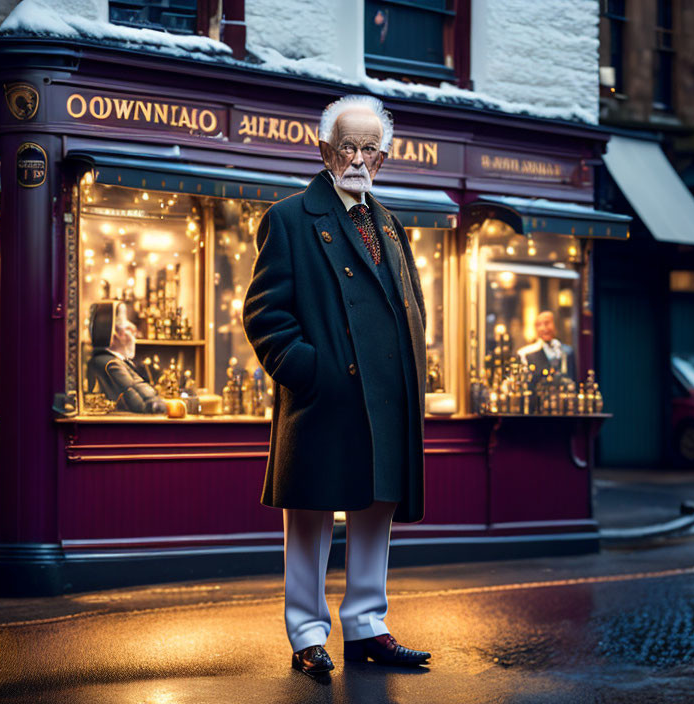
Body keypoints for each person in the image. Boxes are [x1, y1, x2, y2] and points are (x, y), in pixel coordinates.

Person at [243, 94, 431, 677]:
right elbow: (264, 315)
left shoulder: (392, 223)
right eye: (346, 146)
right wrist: (311, 373)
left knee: (377, 513)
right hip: (326, 400)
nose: (357, 158)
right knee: (310, 520)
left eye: (369, 149)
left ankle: (367, 626)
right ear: (325, 151)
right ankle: (305, 634)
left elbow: (408, 308)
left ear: (383, 158)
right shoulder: (290, 218)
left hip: (386, 402)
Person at [87, 301, 167, 414]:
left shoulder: (114, 361)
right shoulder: (111, 364)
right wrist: (169, 405)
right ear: (112, 334)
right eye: (126, 328)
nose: (133, 330)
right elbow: (144, 405)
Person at [517, 310, 576, 385]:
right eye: (539, 325)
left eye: (547, 323)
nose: (543, 328)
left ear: (556, 325)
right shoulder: (525, 353)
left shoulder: (568, 351)